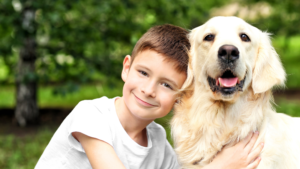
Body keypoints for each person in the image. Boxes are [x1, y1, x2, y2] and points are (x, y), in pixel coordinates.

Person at [35, 24, 263, 169]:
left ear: (182, 95)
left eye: (166, 84)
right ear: (126, 67)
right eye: (143, 73)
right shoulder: (91, 115)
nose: (148, 90)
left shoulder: (158, 144)